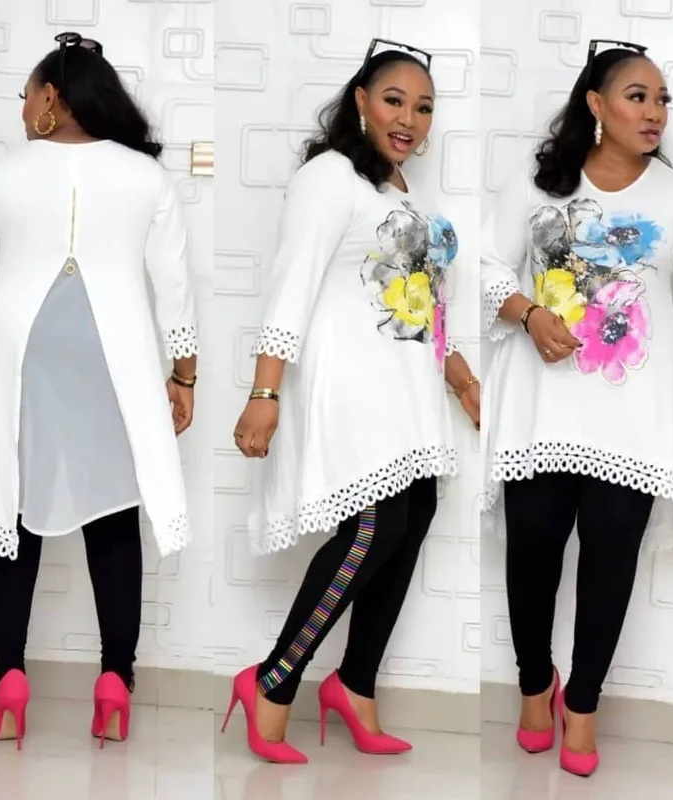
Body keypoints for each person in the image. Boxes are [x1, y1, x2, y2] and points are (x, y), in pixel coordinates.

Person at [479, 40, 673, 777]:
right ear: (596, 105)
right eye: (638, 96)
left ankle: (584, 704)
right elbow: (487, 264)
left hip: (635, 418)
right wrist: (529, 313)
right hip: (543, 407)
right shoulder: (540, 185)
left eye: (662, 100)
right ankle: (535, 685)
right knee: (531, 554)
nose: (654, 112)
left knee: (609, 562)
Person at [220, 38, 480, 764]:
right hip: (352, 387)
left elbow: (423, 305)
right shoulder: (329, 177)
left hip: (408, 390)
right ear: (361, 101)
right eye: (395, 100)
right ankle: (272, 680)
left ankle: (356, 685)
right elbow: (292, 284)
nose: (409, 119)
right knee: (372, 529)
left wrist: (463, 382)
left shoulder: (402, 192)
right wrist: (265, 391)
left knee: (413, 517)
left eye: (423, 108)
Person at [0, 32, 198, 748]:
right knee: (113, 513)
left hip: (18, 353)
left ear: (51, 97)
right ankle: (116, 677)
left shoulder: (1, 177)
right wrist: (184, 375)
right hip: (110, 356)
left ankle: (9, 677)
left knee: (11, 509)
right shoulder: (147, 178)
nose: (22, 108)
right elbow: (174, 287)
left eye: (26, 94)